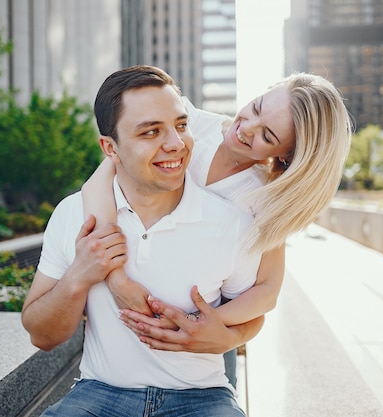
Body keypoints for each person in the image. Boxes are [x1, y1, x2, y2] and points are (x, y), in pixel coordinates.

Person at [21, 65, 263, 417]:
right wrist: (80, 275)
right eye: (151, 132)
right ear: (110, 148)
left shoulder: (233, 224)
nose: (176, 144)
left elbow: (253, 315)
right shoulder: (75, 214)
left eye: (181, 125)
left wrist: (227, 337)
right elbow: (41, 336)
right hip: (100, 394)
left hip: (203, 398)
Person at [80, 70, 353, 379]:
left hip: (201, 353)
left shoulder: (264, 198)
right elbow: (96, 186)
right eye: (256, 107)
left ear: (287, 155)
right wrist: (117, 281)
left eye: (268, 136)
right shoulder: (188, 123)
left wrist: (196, 325)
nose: (247, 128)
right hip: (120, 329)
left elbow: (266, 292)